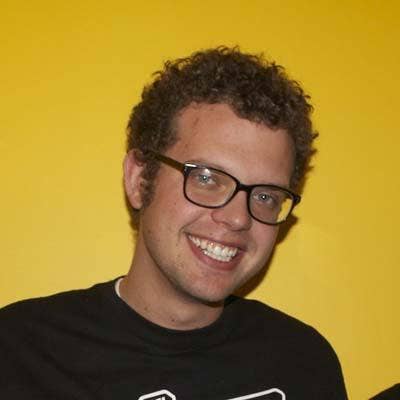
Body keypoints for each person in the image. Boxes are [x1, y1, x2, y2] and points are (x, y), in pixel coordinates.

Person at [0, 47, 347, 399]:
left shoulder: (303, 363)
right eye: (207, 178)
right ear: (139, 180)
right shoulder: (18, 352)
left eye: (265, 197)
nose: (238, 218)